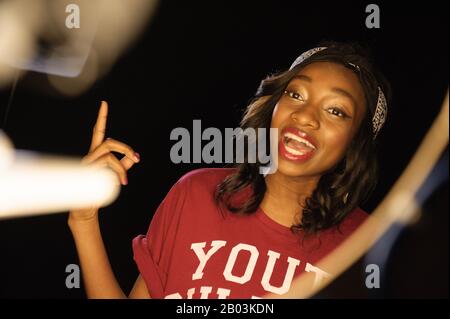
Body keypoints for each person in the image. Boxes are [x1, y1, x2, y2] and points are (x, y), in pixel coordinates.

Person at [68, 41, 390, 299]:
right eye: (295, 94)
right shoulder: (197, 193)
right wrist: (84, 221)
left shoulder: (369, 244)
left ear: (356, 143)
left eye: (336, 110)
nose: (305, 116)